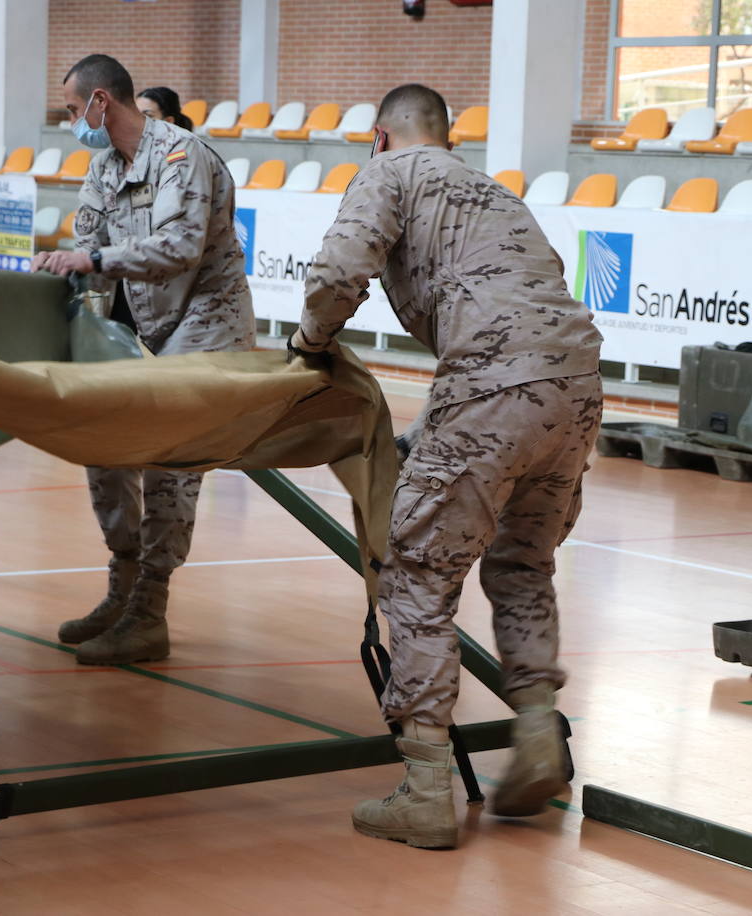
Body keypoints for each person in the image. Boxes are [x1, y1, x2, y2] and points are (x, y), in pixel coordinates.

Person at [290, 83, 603, 849]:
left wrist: (310, 343)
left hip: (493, 385)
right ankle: (534, 730)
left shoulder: (390, 173)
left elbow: (339, 272)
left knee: (419, 573)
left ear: (379, 136)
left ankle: (426, 785)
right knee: (523, 564)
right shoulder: (493, 192)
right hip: (578, 389)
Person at [33, 54, 254, 666]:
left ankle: (150, 609)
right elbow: (87, 241)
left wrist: (93, 262)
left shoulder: (183, 155)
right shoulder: (104, 168)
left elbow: (181, 247)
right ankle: (123, 582)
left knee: (168, 455)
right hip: (153, 325)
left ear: (103, 102)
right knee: (102, 437)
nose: (74, 122)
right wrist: (60, 267)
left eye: (76, 111)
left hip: (208, 321)